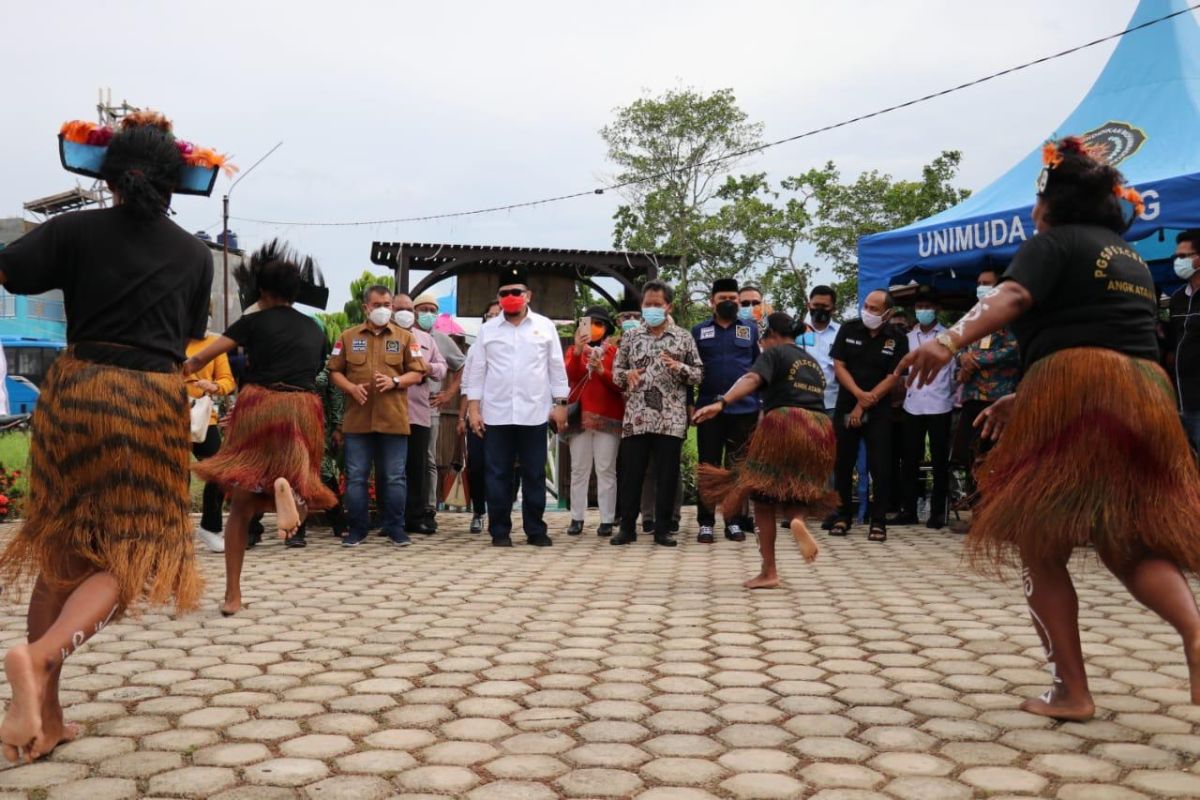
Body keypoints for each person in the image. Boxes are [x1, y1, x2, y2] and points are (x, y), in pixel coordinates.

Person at [900, 136, 1200, 722]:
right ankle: (1195, 632)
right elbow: (1102, 337)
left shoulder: (1052, 243)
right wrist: (1024, 396)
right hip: (1143, 395)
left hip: (1078, 387)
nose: (1033, 214)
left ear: (1051, 203)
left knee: (1040, 542)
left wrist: (947, 338)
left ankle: (1071, 691)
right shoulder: (1130, 258)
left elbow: (1013, 296)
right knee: (1128, 538)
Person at [0, 111, 214, 762]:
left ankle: (47, 722)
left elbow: (10, 272)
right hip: (148, 400)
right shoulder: (193, 252)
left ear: (109, 176)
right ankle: (39, 660)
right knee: (133, 553)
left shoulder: (73, 230)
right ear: (174, 182)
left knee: (63, 548)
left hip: (76, 390)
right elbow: (185, 337)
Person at [187, 241, 337, 613]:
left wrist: (182, 370)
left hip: (260, 408)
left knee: (240, 504)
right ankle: (286, 496)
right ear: (295, 291)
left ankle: (232, 595)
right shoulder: (315, 329)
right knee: (304, 491)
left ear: (262, 291)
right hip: (302, 411)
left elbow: (204, 355)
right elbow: (320, 369)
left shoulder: (251, 321)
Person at [695, 312, 836, 587]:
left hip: (785, 425)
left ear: (772, 335)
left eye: (763, 339)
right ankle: (797, 520)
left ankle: (768, 571)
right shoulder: (811, 362)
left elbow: (751, 379)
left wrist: (722, 403)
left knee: (762, 498)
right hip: (820, 430)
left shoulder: (775, 353)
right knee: (799, 489)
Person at [466, 268, 569, 547]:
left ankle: (536, 530)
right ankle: (499, 531)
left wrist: (560, 404)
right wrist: (474, 410)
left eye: (516, 292)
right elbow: (476, 374)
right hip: (496, 415)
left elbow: (556, 369)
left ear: (528, 295)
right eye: (505, 293)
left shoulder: (545, 326)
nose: (511, 297)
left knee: (534, 472)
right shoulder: (487, 331)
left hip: (534, 413)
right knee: (497, 474)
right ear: (498, 298)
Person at [328, 286, 427, 548]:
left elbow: (417, 372)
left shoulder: (406, 338)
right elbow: (334, 371)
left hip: (393, 419)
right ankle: (357, 529)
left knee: (394, 476)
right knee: (356, 476)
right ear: (366, 308)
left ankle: (396, 528)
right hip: (358, 421)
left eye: (388, 304)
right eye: (378, 304)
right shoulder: (348, 337)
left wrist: (395, 381)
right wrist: (350, 387)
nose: (384, 309)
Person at [612, 280, 703, 547]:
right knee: (631, 475)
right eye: (646, 304)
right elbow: (616, 373)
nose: (650, 309)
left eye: (656, 304)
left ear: (668, 306)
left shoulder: (683, 337)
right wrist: (626, 375)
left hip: (671, 419)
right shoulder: (630, 337)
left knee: (667, 475)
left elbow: (698, 373)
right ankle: (627, 528)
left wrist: (679, 367)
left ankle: (663, 529)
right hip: (636, 418)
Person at [829, 289, 908, 542]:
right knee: (842, 462)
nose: (868, 312)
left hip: (878, 409)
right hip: (846, 405)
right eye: (866, 306)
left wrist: (863, 405)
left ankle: (878, 520)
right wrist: (857, 396)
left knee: (880, 465)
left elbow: (894, 376)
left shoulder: (897, 338)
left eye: (874, 308)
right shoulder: (849, 329)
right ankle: (843, 515)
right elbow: (838, 366)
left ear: (888, 313)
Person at [950, 269, 1019, 532]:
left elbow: (1015, 350)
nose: (981, 287)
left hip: (999, 402)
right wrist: (963, 363)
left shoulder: (1010, 316)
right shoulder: (973, 317)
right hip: (971, 398)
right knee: (971, 457)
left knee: (997, 460)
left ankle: (999, 519)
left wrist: (975, 360)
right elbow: (959, 348)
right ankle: (978, 515)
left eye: (987, 283)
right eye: (978, 283)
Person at [693, 278, 760, 543]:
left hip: (744, 411)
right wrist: (691, 405)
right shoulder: (698, 331)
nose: (729, 303)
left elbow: (757, 369)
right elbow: (691, 371)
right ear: (712, 302)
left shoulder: (750, 330)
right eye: (723, 299)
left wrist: (760, 405)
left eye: (734, 298)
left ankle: (732, 521)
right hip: (708, 410)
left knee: (736, 468)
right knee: (708, 466)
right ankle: (705, 522)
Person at [891, 294, 955, 529]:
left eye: (928, 306)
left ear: (937, 308)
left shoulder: (949, 336)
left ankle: (938, 512)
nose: (923, 310)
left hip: (940, 404)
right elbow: (901, 371)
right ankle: (908, 509)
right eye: (919, 306)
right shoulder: (907, 338)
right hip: (913, 404)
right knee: (909, 459)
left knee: (939, 461)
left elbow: (954, 370)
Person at [390, 293, 448, 535]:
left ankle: (415, 518)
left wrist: (428, 368)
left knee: (417, 467)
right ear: (391, 311)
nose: (404, 312)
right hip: (389, 413)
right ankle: (391, 519)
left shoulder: (426, 339)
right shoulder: (382, 338)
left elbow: (442, 368)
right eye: (399, 308)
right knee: (391, 469)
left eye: (408, 308)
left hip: (418, 411)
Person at [564, 306, 624, 536]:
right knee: (579, 469)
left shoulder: (615, 353)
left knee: (606, 469)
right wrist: (579, 351)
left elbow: (619, 384)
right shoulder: (573, 350)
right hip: (579, 417)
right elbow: (569, 376)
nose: (595, 328)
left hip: (608, 416)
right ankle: (576, 518)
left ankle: (607, 519)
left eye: (600, 324)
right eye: (590, 323)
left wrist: (601, 371)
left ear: (607, 328)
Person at [414, 293, 466, 533]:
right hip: (399, 408)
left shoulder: (442, 340)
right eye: (422, 309)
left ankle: (429, 507)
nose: (427, 314)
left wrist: (448, 394)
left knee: (428, 458)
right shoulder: (403, 335)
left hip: (429, 408)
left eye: (432, 310)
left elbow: (462, 365)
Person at [186, 326, 236, 553]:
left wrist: (214, 386)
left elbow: (228, 381)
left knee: (219, 471)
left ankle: (210, 527)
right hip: (167, 417)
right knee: (175, 477)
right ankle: (173, 531)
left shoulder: (215, 343)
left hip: (204, 418)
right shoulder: (166, 336)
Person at [459, 301, 501, 532]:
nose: (494, 318)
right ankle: (478, 511)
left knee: (504, 467)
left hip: (506, 418)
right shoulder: (475, 348)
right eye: (490, 315)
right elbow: (467, 385)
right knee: (477, 466)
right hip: (478, 417)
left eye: (499, 314)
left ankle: (500, 512)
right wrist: (461, 417)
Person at [1168, 230, 1200, 452]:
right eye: (1176, 257)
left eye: (1184, 256)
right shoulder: (1177, 298)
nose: (1178, 262)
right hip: (1181, 403)